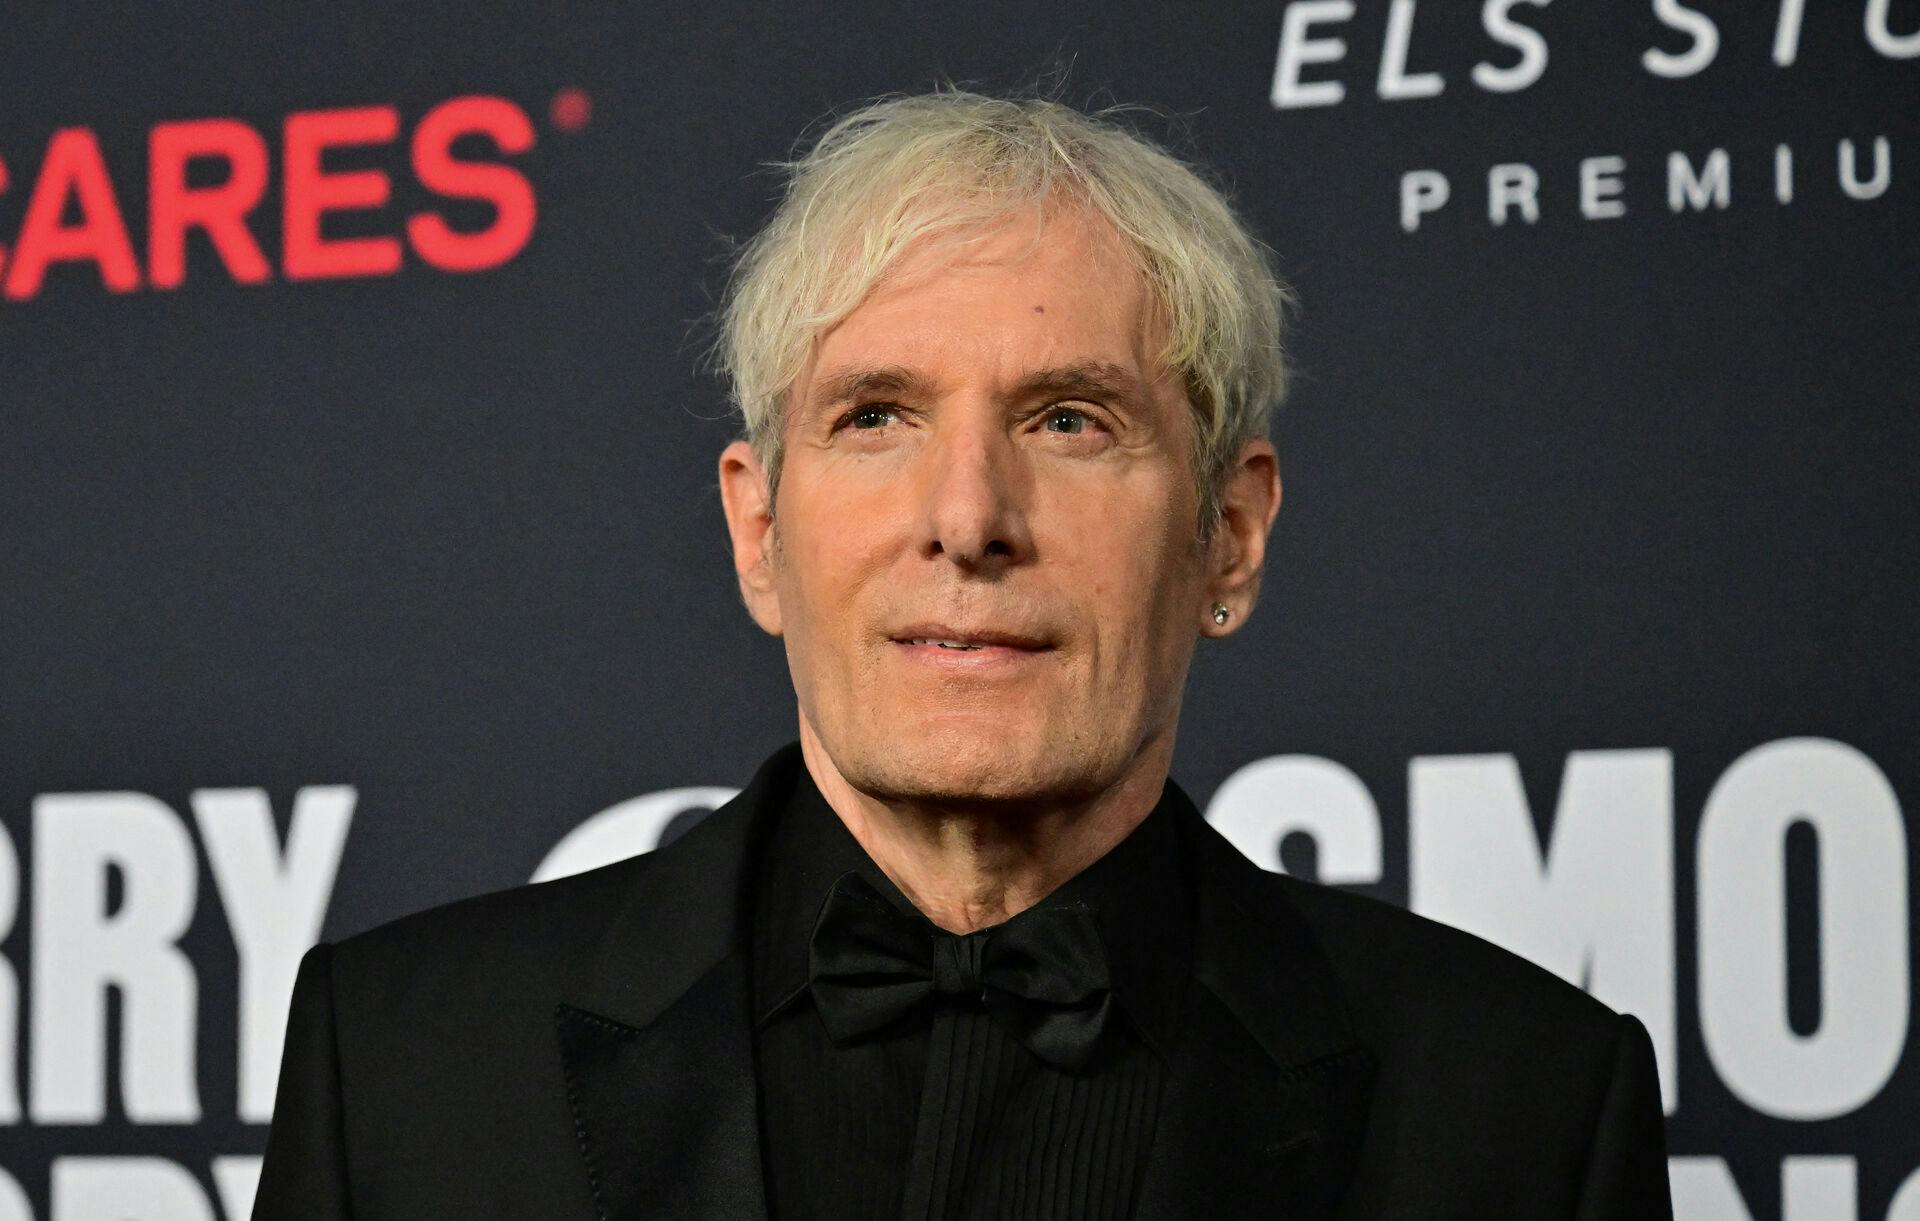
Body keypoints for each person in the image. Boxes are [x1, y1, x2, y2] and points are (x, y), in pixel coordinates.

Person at [253, 90, 1672, 1219]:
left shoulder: (1523, 1109)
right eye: (877, 415)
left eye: (1070, 419)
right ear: (759, 528)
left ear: (1228, 533)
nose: (968, 518)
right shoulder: (401, 1069)